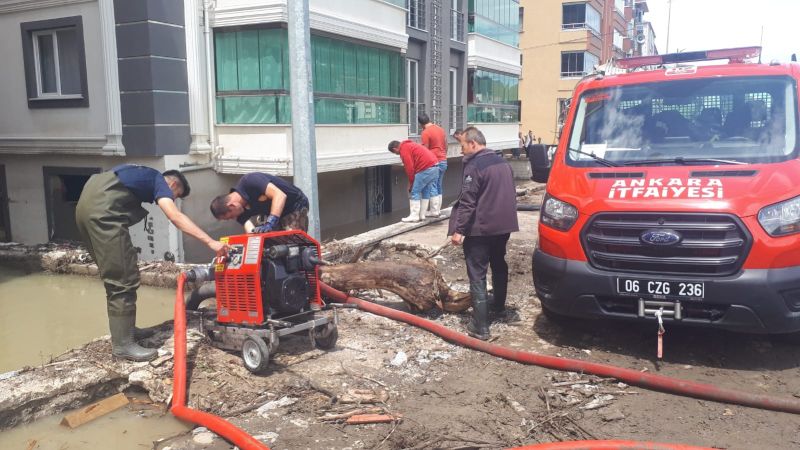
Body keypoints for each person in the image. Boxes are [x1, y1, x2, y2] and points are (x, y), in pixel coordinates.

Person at [75, 165, 229, 362]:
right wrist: (210, 242)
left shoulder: (136, 172)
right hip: (104, 214)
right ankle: (123, 346)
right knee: (123, 278)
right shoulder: (160, 180)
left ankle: (127, 331)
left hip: (84, 208)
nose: (172, 198)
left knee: (113, 275)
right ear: (172, 184)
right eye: (176, 194)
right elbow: (174, 216)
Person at [448, 127, 519, 340]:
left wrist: (459, 230)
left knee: (477, 272)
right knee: (499, 263)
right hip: (503, 226)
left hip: (481, 229)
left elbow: (468, 201)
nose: (461, 152)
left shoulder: (475, 165)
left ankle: (480, 326)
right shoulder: (503, 162)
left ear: (473, 143)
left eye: (462, 147)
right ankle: (498, 307)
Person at [210, 172, 310, 233]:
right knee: (271, 247)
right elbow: (249, 230)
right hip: (276, 215)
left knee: (292, 244)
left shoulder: (250, 181)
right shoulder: (239, 210)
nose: (233, 218)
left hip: (294, 205)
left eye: (230, 216)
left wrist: (271, 222)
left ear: (232, 205)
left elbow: (280, 195)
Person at [388, 139, 439, 223]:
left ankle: (414, 216)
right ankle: (422, 215)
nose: (397, 154)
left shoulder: (404, 149)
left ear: (394, 149)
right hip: (435, 167)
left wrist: (411, 183)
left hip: (425, 169)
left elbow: (410, 168)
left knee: (414, 192)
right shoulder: (411, 145)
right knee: (426, 191)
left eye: (395, 153)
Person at [419, 113, 448, 217]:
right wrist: (444, 155)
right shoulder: (440, 129)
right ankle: (438, 210)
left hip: (433, 162)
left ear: (421, 124)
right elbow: (446, 144)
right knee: (438, 185)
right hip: (443, 160)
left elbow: (425, 150)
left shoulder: (425, 132)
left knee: (432, 185)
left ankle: (434, 211)